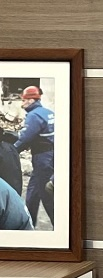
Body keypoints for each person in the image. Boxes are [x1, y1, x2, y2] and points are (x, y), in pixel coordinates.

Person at [14, 85, 54, 227]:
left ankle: (60, 226)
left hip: (43, 159)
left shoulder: (34, 116)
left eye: (24, 100)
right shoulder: (48, 113)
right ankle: (28, 225)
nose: (22, 103)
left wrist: (11, 151)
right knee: (32, 195)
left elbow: (24, 139)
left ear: (31, 100)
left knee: (47, 196)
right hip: (49, 156)